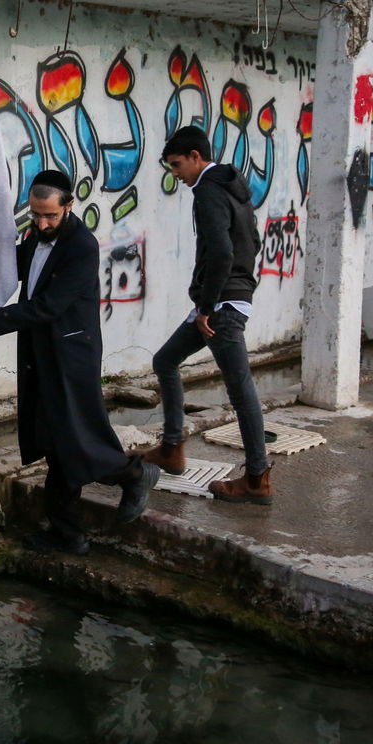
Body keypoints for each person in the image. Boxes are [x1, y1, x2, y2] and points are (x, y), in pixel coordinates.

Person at [0, 170, 160, 556]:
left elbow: (49, 306)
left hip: (71, 357)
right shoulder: (34, 236)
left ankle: (135, 473)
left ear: (69, 207)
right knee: (56, 441)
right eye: (36, 215)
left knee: (75, 437)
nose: (42, 223)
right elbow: (14, 270)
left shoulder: (82, 246)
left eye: (50, 217)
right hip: (40, 353)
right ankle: (67, 533)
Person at [141, 127, 273, 505]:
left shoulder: (209, 191)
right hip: (230, 297)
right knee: (165, 361)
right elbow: (253, 241)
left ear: (197, 157)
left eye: (178, 165)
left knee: (240, 390)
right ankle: (171, 448)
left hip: (221, 306)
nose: (176, 174)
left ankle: (257, 477)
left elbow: (220, 253)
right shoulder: (234, 186)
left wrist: (206, 307)